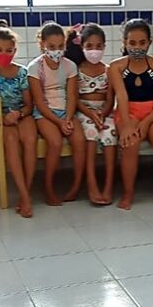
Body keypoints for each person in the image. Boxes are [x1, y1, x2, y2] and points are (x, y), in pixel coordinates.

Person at [108, 19, 153, 209]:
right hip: (127, 110)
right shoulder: (116, 67)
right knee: (130, 144)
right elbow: (121, 96)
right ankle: (128, 194)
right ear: (125, 42)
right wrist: (128, 124)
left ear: (149, 43)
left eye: (142, 43)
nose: (137, 48)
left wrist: (146, 123)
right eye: (132, 43)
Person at [0, 20, 38, 218]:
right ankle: (25, 196)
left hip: (21, 113)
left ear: (15, 51)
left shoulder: (22, 72)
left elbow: (29, 104)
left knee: (30, 140)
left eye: (9, 50)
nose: (4, 54)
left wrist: (19, 114)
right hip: (1, 113)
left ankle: (25, 193)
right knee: (11, 141)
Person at [27, 22, 85, 206]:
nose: (56, 51)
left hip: (66, 111)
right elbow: (39, 102)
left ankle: (76, 186)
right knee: (55, 142)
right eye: (51, 47)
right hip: (45, 113)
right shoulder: (34, 67)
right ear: (42, 44)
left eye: (60, 46)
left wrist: (67, 118)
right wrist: (58, 122)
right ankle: (49, 188)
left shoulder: (70, 66)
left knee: (79, 140)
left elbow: (72, 96)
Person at [65, 23, 117, 206]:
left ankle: (108, 186)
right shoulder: (76, 70)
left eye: (98, 46)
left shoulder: (109, 70)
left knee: (110, 133)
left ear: (104, 46)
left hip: (104, 112)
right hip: (83, 111)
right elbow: (75, 99)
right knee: (91, 133)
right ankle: (92, 184)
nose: (94, 50)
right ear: (82, 46)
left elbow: (110, 99)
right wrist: (91, 114)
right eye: (89, 46)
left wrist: (103, 114)